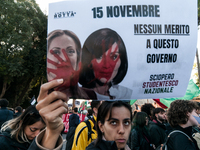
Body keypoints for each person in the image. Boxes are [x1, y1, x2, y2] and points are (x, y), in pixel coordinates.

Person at [79, 28, 132, 100]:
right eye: (99, 57)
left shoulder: (126, 94)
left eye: (114, 57)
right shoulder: (78, 95)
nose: (106, 66)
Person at [47, 29, 96, 99]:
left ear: (77, 58)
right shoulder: (42, 98)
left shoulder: (90, 95)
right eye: (56, 52)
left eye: (70, 51)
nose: (64, 58)